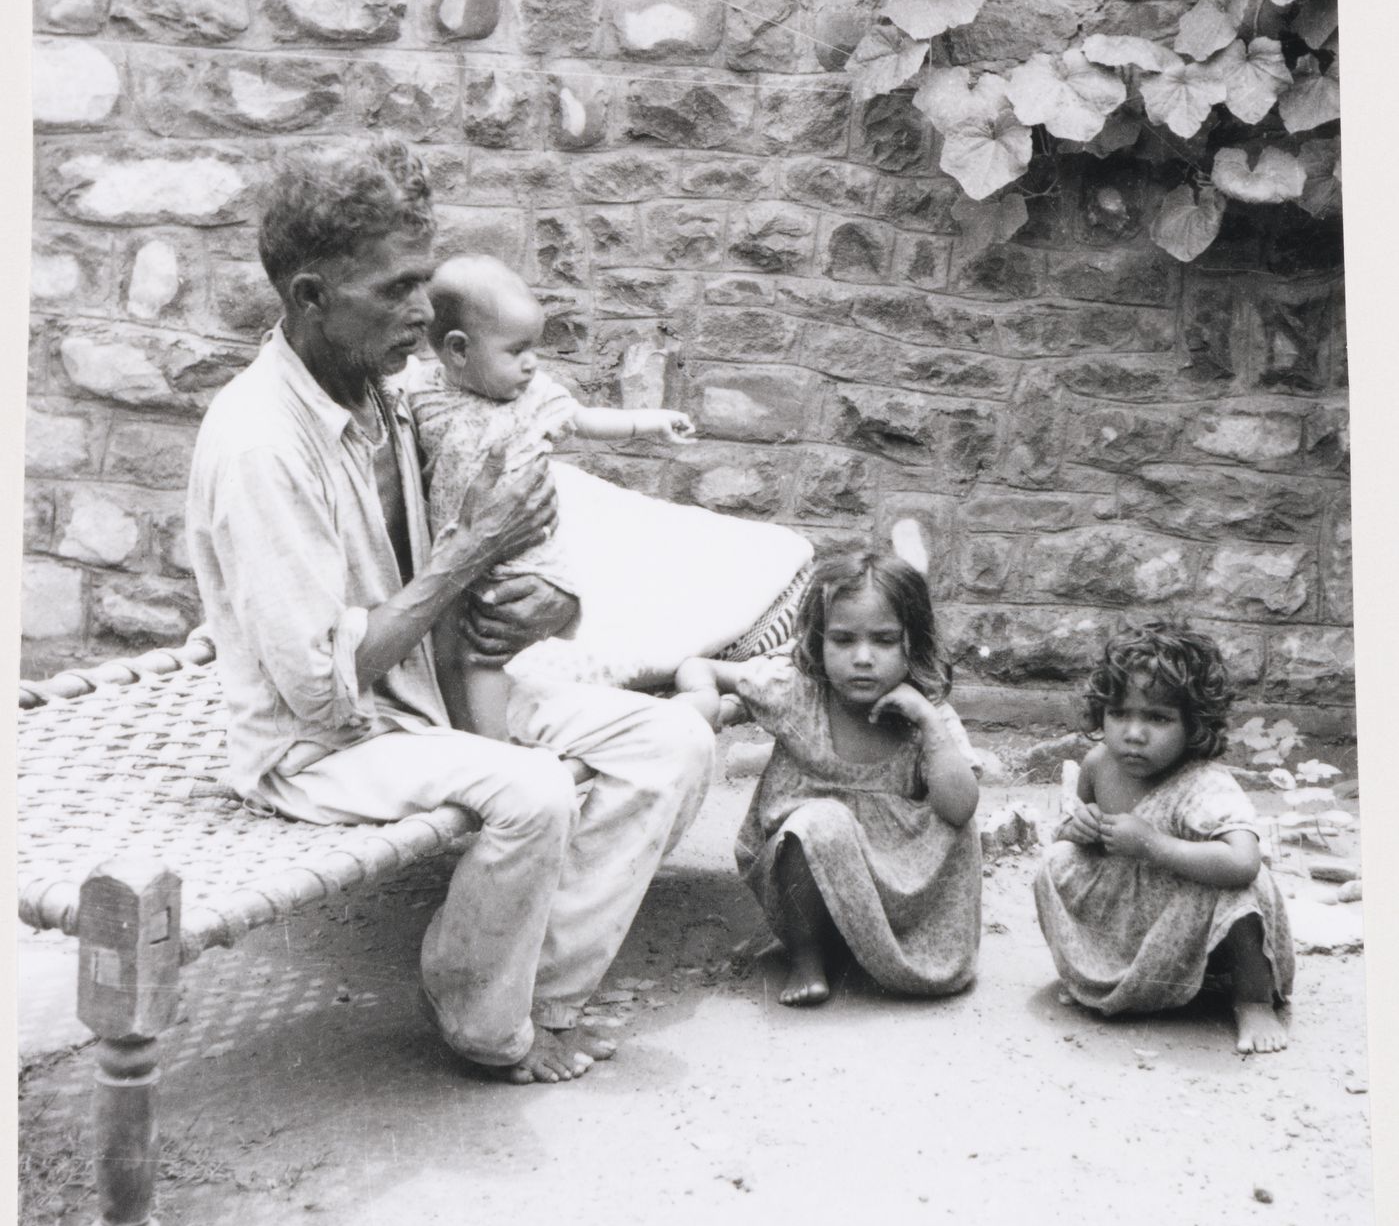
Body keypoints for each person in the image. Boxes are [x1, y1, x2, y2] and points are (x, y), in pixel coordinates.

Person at [186, 139, 714, 1086]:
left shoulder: (392, 391)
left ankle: (530, 990)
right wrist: (468, 551)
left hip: (429, 691)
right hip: (323, 746)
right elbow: (319, 692)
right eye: (393, 291)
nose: (423, 313)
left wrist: (551, 605)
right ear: (309, 296)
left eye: (423, 282)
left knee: (676, 741)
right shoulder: (260, 444)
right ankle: (484, 1019)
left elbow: (501, 516)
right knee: (536, 789)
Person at [674, 549, 981, 1007]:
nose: (862, 658)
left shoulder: (928, 715)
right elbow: (700, 666)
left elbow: (960, 808)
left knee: (955, 816)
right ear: (818, 642)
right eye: (842, 640)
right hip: (804, 875)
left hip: (897, 887)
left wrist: (927, 722)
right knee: (819, 824)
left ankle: (886, 950)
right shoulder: (797, 694)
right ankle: (807, 955)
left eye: (883, 640)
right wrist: (702, 694)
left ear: (912, 643)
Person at [408, 253, 696, 741]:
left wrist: (650, 421)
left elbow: (584, 420)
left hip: (521, 559)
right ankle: (458, 729)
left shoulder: (535, 397)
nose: (532, 362)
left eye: (533, 348)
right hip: (456, 553)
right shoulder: (421, 390)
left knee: (483, 653)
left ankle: (491, 747)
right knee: (448, 647)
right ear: (457, 350)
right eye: (516, 350)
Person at [1033, 621, 1294, 1054]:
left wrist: (1153, 844)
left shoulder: (1203, 782)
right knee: (1057, 858)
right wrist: (1080, 829)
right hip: (1132, 919)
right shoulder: (1099, 762)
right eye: (1119, 713)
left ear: (1194, 726)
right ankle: (1098, 972)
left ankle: (1252, 999)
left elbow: (1244, 861)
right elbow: (1076, 821)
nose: (1133, 733)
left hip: (1186, 920)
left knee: (1246, 890)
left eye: (1157, 717)